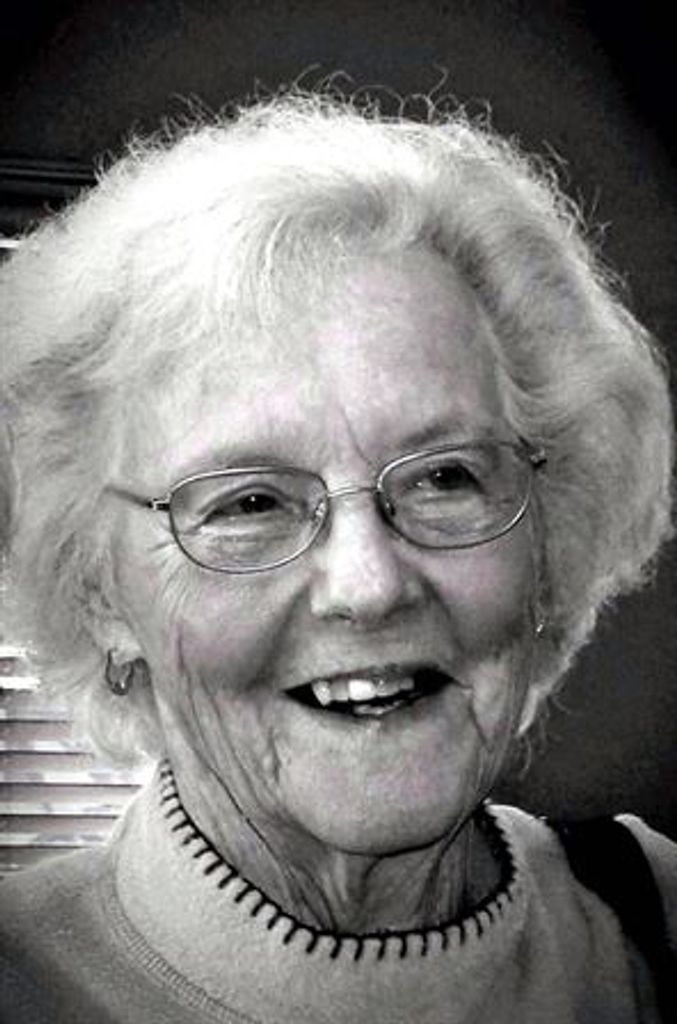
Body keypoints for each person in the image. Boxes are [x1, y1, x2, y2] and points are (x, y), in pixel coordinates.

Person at [0, 92, 675, 1024]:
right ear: (98, 594)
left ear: (548, 543)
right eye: (249, 503)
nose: (369, 585)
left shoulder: (653, 919)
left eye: (444, 477)